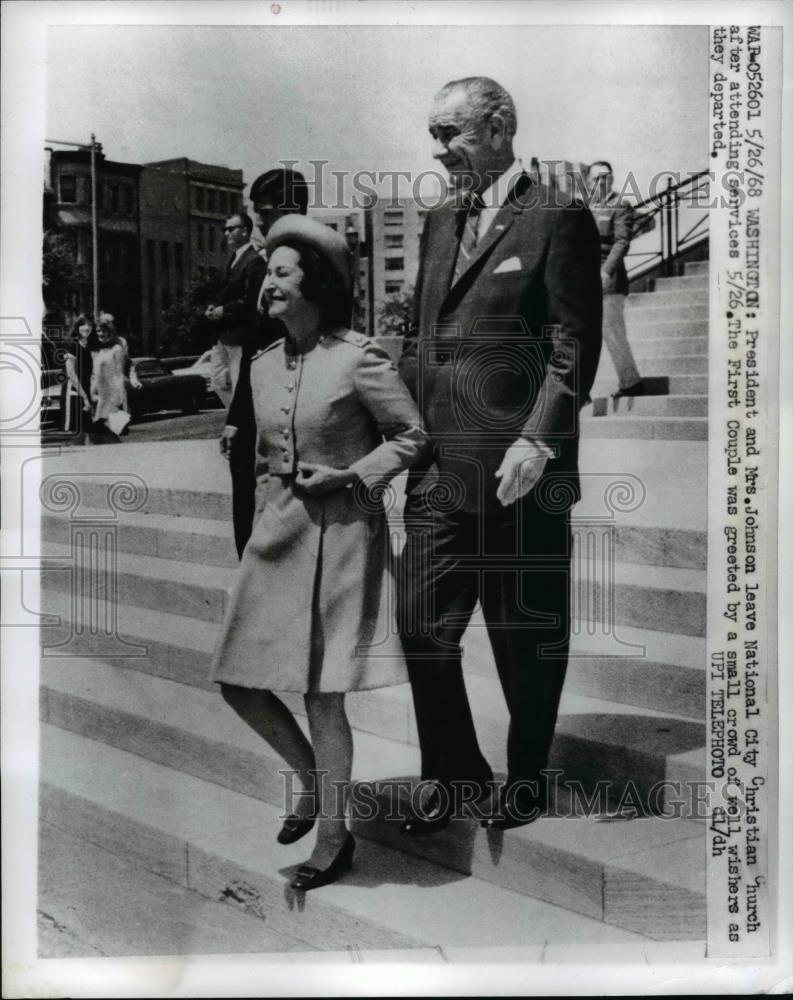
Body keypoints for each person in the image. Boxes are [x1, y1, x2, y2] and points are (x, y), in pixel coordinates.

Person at [397, 77, 602, 833]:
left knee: (525, 633)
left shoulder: (557, 217)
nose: (438, 149)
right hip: (439, 470)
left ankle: (525, 775)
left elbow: (571, 342)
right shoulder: (437, 221)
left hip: (522, 473)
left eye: (450, 132)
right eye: (433, 133)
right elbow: (424, 339)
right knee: (419, 622)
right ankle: (453, 772)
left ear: (499, 126)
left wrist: (539, 437)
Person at [210, 215, 428, 891]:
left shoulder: (358, 355)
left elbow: (413, 437)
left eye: (280, 273)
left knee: (321, 694)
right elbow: (253, 463)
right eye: (265, 274)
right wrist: (249, 536)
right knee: (236, 677)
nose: (265, 285)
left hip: (341, 536)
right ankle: (310, 778)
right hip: (276, 534)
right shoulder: (261, 364)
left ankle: (333, 839)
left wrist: (353, 475)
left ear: (316, 284)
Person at [220, 169, 309, 559]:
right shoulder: (263, 264)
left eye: (265, 211)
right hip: (256, 406)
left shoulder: (319, 263)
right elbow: (255, 350)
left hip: (294, 408)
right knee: (245, 494)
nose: (258, 221)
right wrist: (236, 417)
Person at [587, 160, 644, 398]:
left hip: (608, 280)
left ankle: (631, 382)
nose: (602, 181)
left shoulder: (620, 205)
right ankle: (580, 390)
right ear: (589, 181)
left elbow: (622, 241)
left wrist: (606, 271)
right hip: (584, 279)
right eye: (597, 177)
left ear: (612, 178)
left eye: (606, 176)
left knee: (612, 332)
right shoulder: (587, 206)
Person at [205, 212, 266, 408]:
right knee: (217, 381)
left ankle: (243, 424)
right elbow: (219, 293)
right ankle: (240, 419)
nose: (226, 233)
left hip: (241, 336)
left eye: (231, 229)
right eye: (225, 229)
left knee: (241, 383)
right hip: (222, 335)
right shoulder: (228, 261)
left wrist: (225, 311)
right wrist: (212, 306)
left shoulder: (254, 261)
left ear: (245, 231)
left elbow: (251, 299)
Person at [90, 313, 139, 443]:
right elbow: (95, 374)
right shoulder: (97, 351)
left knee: (106, 431)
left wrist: (122, 397)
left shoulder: (117, 348)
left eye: (104, 331)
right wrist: (92, 392)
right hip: (99, 395)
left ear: (110, 331)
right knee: (99, 434)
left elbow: (119, 373)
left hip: (111, 395)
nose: (100, 334)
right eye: (98, 331)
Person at [61, 314, 96, 440]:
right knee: (75, 434)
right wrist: (85, 397)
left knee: (89, 434)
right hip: (74, 394)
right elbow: (71, 374)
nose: (87, 328)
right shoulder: (72, 346)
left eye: (90, 325)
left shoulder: (90, 346)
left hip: (86, 392)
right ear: (77, 327)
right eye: (83, 325)